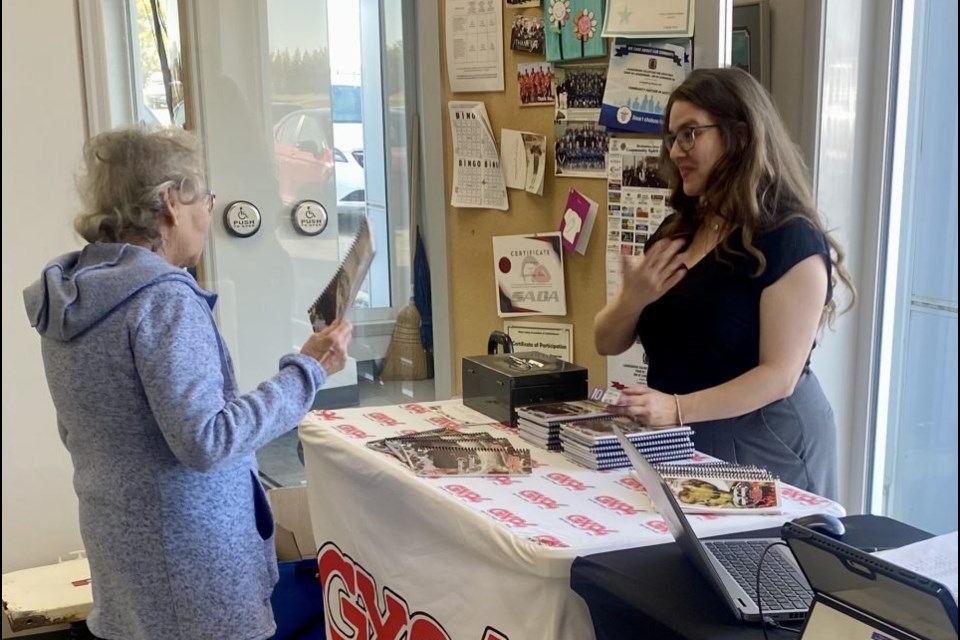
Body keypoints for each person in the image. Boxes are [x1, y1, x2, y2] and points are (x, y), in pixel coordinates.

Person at [22, 127, 352, 640]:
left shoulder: (70, 298)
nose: (210, 214)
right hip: (194, 572)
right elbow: (208, 439)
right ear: (172, 202)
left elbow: (81, 431)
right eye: (207, 197)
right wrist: (308, 371)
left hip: (122, 550)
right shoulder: (163, 301)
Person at [594, 68, 854, 499]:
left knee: (764, 564)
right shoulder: (676, 232)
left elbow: (779, 376)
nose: (677, 151)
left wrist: (676, 409)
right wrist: (632, 300)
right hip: (683, 435)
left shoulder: (791, 239)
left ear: (741, 135)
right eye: (673, 138)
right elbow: (606, 340)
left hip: (766, 440)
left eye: (691, 133)